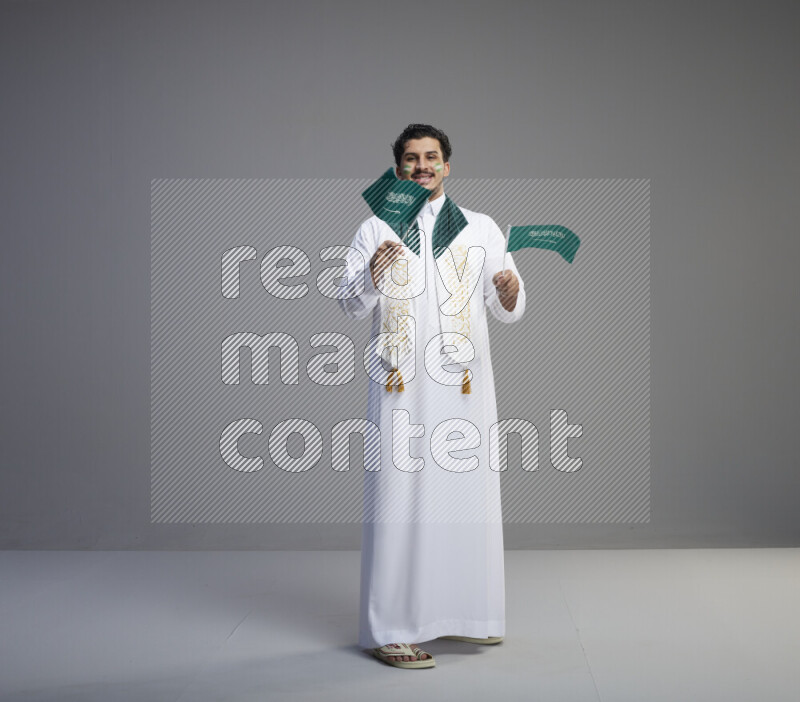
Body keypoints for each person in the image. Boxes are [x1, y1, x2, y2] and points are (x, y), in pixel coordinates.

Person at [337, 124, 525, 669]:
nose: (423, 166)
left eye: (433, 157)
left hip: (464, 387)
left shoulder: (480, 227)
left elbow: (507, 303)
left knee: (467, 499)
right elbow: (348, 304)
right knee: (399, 502)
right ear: (397, 169)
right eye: (412, 159)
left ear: (448, 166)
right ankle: (390, 629)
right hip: (400, 387)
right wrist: (371, 275)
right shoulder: (376, 228)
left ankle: (470, 614)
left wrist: (511, 289)